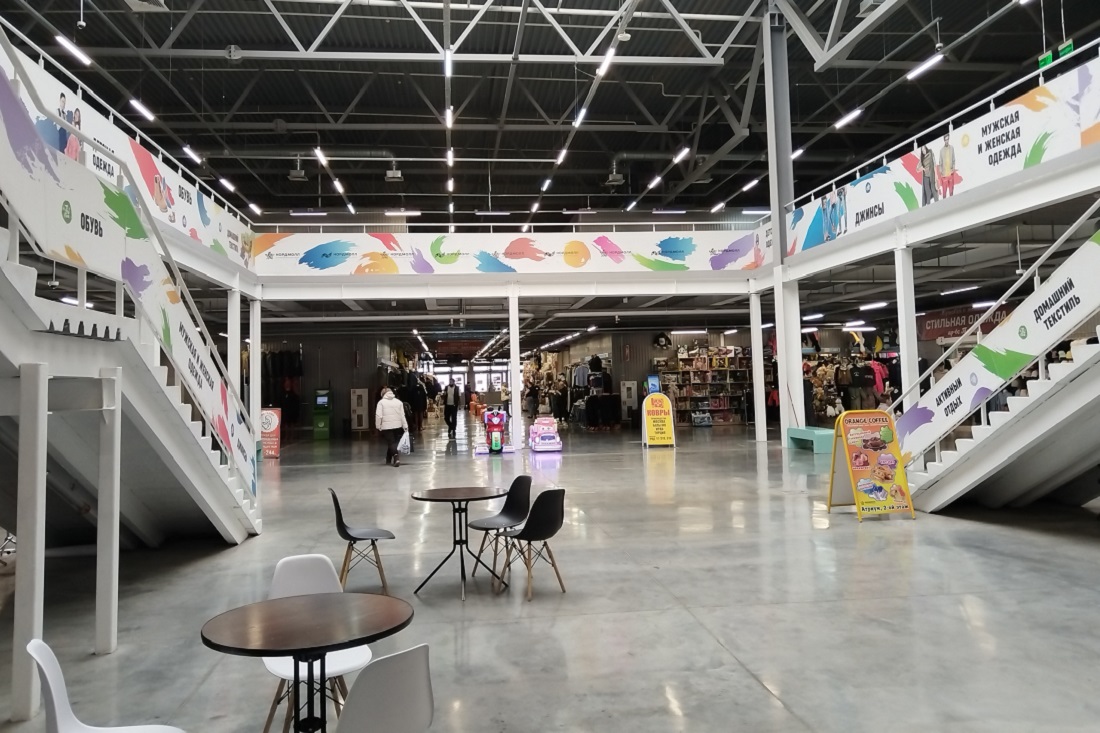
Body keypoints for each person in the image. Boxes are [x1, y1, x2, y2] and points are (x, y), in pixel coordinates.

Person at [375, 388, 408, 467]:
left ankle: (396, 458)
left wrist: (378, 426)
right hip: (397, 426)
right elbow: (402, 416)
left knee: (391, 442)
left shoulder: (381, 403)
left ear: (382, 394)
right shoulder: (399, 402)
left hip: (386, 426)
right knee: (392, 442)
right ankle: (388, 459)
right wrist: (405, 426)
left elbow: (378, 416)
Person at [938, 132, 956, 199]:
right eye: (945, 139)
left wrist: (953, 169)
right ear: (944, 140)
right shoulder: (941, 150)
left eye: (947, 139)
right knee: (944, 194)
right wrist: (941, 172)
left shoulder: (952, 148)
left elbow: (953, 160)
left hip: (950, 174)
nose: (947, 141)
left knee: (951, 193)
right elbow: (940, 163)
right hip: (944, 175)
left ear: (949, 139)